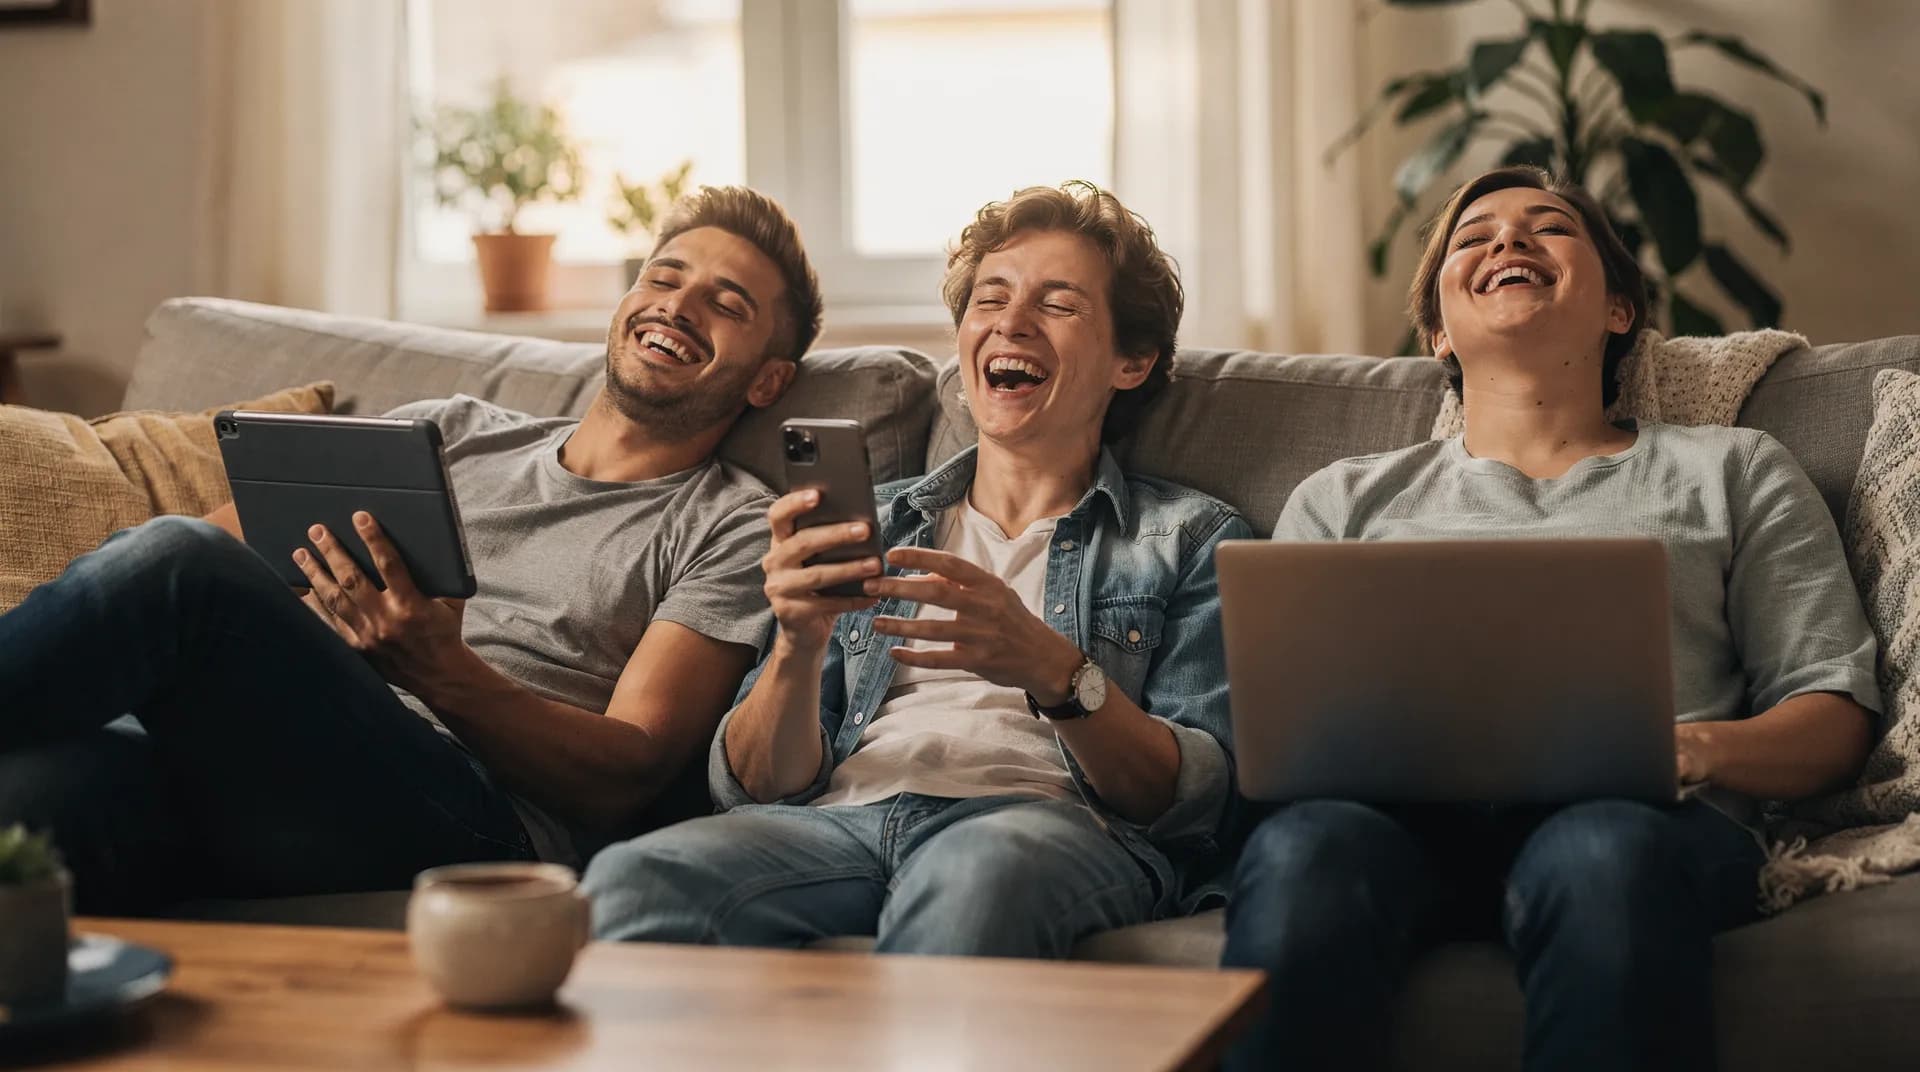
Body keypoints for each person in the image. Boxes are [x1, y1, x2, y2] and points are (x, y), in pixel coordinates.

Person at [1220, 166, 1881, 1072]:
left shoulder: (1734, 468)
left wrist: (1694, 750)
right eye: (1473, 236)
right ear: (1437, 334)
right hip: (1387, 828)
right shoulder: (1341, 500)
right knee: (1303, 854)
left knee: (1599, 856)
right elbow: (1277, 739)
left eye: (1549, 227)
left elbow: (1834, 711)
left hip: (1642, 821)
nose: (1507, 242)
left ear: (1618, 311)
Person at [0, 186, 823, 912]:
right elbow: (180, 572)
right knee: (28, 808)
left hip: (468, 815)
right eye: (664, 276)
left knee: (176, 563)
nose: (677, 308)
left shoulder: (734, 524)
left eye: (727, 304)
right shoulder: (451, 432)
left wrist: (440, 670)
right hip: (251, 768)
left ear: (766, 382)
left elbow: (626, 777)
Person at [584, 181, 1250, 958]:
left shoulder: (1190, 536)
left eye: (1058, 305)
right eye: (990, 299)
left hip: (1038, 827)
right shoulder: (878, 519)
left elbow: (1191, 801)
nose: (1011, 321)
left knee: (978, 874)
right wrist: (799, 645)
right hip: (836, 825)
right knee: (633, 879)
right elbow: (755, 786)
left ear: (1131, 361)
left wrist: (1054, 669)